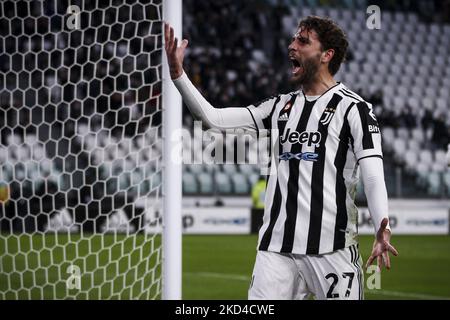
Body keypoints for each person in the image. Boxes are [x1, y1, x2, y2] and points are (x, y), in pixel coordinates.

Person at [164, 16, 398, 300]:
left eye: (302, 41)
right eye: (293, 39)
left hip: (332, 250)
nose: (291, 46)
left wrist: (381, 224)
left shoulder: (354, 109)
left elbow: (373, 175)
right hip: (275, 251)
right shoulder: (278, 107)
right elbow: (213, 119)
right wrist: (178, 76)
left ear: (327, 55)